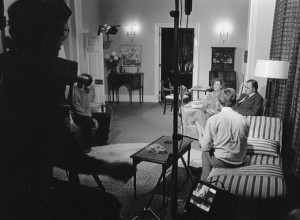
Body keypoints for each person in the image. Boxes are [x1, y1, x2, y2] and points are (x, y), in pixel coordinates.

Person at [0, 0, 134, 219]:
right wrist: (109, 168)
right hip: (22, 195)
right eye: (60, 34)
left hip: (25, 184)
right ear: (40, 36)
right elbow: (64, 152)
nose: (61, 44)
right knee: (107, 206)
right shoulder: (36, 83)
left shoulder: (16, 70)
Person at [200, 88, 249, 180]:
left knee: (205, 152)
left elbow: (204, 146)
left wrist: (201, 137)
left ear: (219, 102)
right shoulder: (244, 119)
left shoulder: (213, 119)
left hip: (222, 161)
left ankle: (204, 181)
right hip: (240, 160)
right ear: (235, 102)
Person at [72, 73, 98, 153]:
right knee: (88, 121)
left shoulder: (90, 92)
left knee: (105, 116)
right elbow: (77, 109)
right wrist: (90, 118)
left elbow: (88, 107)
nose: (90, 85)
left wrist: (90, 117)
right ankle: (87, 146)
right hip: (77, 115)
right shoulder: (74, 91)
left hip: (86, 114)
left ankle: (100, 141)